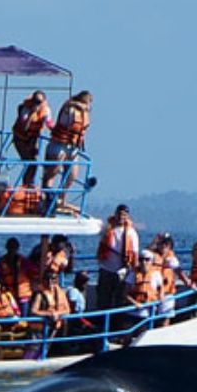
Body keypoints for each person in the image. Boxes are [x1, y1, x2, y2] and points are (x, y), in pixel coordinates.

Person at [94, 204, 140, 336]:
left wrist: (134, 273)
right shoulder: (107, 228)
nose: (121, 217)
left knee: (120, 301)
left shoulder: (131, 233)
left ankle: (117, 331)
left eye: (124, 214)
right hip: (106, 270)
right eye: (119, 214)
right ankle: (101, 329)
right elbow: (97, 227)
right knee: (103, 300)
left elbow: (135, 255)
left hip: (122, 272)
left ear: (127, 216)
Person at [42, 90, 92, 210]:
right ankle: (47, 199)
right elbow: (70, 110)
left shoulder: (85, 112)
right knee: (53, 172)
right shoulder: (69, 108)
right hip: (59, 144)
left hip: (73, 147)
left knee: (72, 175)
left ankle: (61, 199)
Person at [27, 269, 71, 359]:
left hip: (55, 327)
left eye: (53, 279)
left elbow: (67, 309)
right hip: (40, 329)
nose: (50, 282)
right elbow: (33, 311)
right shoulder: (39, 294)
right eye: (47, 279)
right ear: (43, 281)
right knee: (34, 352)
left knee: (56, 350)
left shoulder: (60, 292)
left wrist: (57, 313)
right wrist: (48, 314)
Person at [11, 90, 50, 186]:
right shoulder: (26, 110)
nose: (37, 104)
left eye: (39, 102)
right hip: (20, 138)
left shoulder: (46, 110)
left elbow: (49, 123)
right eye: (35, 101)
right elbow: (25, 127)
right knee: (30, 161)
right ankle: (26, 184)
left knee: (34, 162)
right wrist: (32, 113)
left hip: (32, 139)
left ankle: (29, 183)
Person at [0, 238, 34, 315]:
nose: (12, 250)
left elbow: (33, 272)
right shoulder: (2, 261)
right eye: (10, 247)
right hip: (9, 295)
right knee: (10, 314)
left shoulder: (23, 261)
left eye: (14, 248)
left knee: (23, 318)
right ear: (6, 247)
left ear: (17, 248)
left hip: (23, 296)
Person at [153, 233, 186, 323]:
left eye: (166, 244)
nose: (164, 246)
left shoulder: (172, 259)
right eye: (161, 243)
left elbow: (179, 271)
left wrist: (188, 282)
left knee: (166, 318)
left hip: (167, 292)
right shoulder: (151, 257)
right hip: (153, 293)